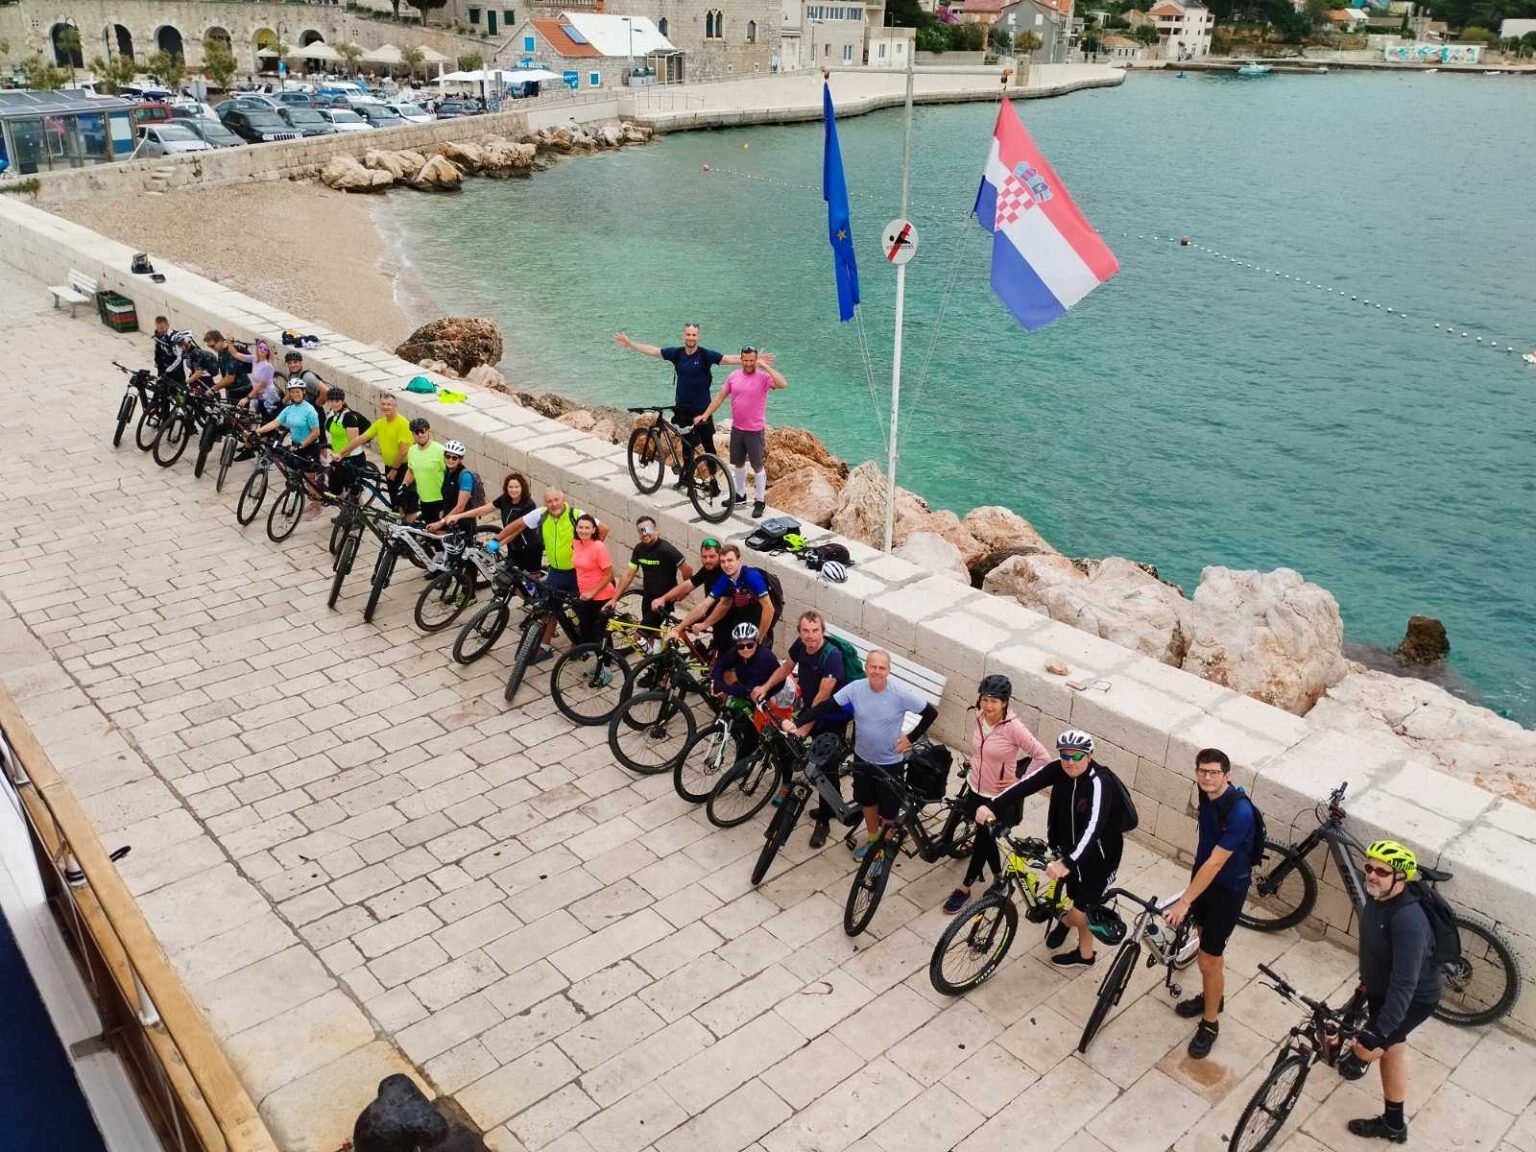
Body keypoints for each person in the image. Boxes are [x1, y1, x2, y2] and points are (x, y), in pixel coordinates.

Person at [976, 729, 1124, 967]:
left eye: (1077, 756)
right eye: (1065, 755)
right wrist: (992, 805)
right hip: (1068, 849)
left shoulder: (1099, 783)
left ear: (1089, 756)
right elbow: (1025, 785)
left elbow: (1093, 828)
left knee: (1081, 912)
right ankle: (1085, 955)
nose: (1070, 761)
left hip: (1099, 857)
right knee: (1078, 899)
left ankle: (1064, 923)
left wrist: (1068, 862)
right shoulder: (1058, 768)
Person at [1335, 840, 1441, 1145]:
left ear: (1401, 877)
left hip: (1413, 999)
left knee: (1366, 1049)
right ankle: (1394, 1125)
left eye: (1382, 871)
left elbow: (1405, 983)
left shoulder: (1408, 920)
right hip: (1382, 989)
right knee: (1393, 1048)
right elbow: (1371, 946)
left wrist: (1379, 1030)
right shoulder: (1378, 898)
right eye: (1369, 867)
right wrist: (1366, 982)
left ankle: (1359, 1059)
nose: (1371, 875)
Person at [793, 650, 939, 860]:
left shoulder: (900, 693)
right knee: (867, 802)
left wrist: (910, 738)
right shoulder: (856, 688)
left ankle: (884, 846)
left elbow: (930, 713)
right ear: (866, 668)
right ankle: (872, 839)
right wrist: (798, 722)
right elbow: (827, 706)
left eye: (882, 668)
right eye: (873, 666)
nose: (877, 671)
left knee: (889, 811)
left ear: (888, 670)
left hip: (889, 762)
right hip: (862, 758)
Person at [1163, 748, 1258, 1058]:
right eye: (1202, 771)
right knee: (1207, 947)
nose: (1206, 777)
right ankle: (1214, 995)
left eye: (1214, 772)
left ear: (1226, 775)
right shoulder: (1207, 796)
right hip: (1203, 880)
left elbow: (1217, 862)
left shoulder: (1240, 813)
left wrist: (1184, 901)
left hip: (1227, 890)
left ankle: (1210, 1022)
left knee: (1207, 959)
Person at [940, 675, 1052, 914]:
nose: (988, 705)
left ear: (1005, 703)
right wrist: (975, 762)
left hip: (998, 797)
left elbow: (1043, 757)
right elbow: (982, 750)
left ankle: (965, 887)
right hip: (975, 788)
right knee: (987, 837)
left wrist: (1020, 780)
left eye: (994, 701)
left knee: (982, 840)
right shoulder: (980, 716)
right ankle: (1000, 878)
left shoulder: (1014, 728)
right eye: (985, 699)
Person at [753, 610, 853, 848]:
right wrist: (765, 687)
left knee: (826, 768)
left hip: (832, 715)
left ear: (822, 631)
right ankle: (789, 785)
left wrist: (804, 726)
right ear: (799, 632)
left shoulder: (832, 656)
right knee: (786, 744)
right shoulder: (800, 645)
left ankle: (825, 820)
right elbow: (786, 668)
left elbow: (822, 697)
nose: (810, 636)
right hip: (809, 707)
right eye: (805, 631)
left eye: (815, 631)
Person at [613, 326, 766, 480]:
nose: (691, 338)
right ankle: (686, 479)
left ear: (698, 336)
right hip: (682, 409)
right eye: (688, 334)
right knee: (686, 445)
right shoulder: (677, 353)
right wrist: (631, 344)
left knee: (708, 446)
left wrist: (752, 360)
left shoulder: (705, 355)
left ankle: (713, 481)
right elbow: (653, 351)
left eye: (694, 335)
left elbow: (727, 359)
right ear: (684, 335)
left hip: (703, 410)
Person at [497, 489, 608, 661]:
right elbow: (517, 524)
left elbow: (603, 528)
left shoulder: (576, 515)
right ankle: (545, 647)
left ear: (563, 499)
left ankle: (581, 644)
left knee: (580, 610)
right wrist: (496, 539)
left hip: (577, 573)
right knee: (549, 608)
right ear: (545, 502)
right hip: (556, 571)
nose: (553, 504)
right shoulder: (541, 514)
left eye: (556, 500)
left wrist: (590, 550)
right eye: (549, 501)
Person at [689, 345, 788, 519]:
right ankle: (740, 496)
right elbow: (720, 398)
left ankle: (759, 501)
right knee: (739, 464)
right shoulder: (733, 376)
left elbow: (782, 384)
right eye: (745, 360)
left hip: (755, 430)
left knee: (757, 466)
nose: (748, 364)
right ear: (741, 359)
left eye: (752, 360)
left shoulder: (763, 378)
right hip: (737, 429)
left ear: (756, 360)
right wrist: (705, 415)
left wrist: (765, 366)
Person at [675, 543, 775, 656]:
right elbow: (706, 605)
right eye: (722, 562)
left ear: (739, 560)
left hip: (760, 630)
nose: (726, 565)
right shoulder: (726, 580)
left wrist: (759, 639)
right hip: (741, 626)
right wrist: (684, 627)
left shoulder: (752, 576)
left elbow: (769, 608)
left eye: (730, 560)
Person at [609, 515, 691, 631]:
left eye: (648, 529)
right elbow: (628, 574)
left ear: (656, 530)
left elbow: (687, 569)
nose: (644, 534)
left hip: (664, 600)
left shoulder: (666, 549)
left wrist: (684, 592)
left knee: (641, 633)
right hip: (648, 597)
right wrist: (614, 599)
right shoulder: (639, 549)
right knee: (652, 633)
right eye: (641, 531)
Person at [257, 379, 326, 509]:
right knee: (295, 472)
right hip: (296, 445)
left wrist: (302, 445)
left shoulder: (310, 410)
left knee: (310, 477)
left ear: (303, 392)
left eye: (297, 391)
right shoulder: (289, 409)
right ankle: (304, 493)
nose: (295, 394)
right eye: (292, 392)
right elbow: (275, 423)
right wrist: (256, 431)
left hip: (310, 447)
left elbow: (315, 433)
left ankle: (317, 505)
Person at [339, 393, 412, 510]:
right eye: (383, 404)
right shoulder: (380, 423)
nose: (386, 407)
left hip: (403, 467)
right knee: (394, 500)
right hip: (389, 466)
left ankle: (406, 520)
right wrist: (341, 453)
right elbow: (360, 439)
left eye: (389, 404)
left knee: (404, 502)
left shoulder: (403, 423)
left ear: (395, 406)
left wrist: (394, 469)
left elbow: (404, 450)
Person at [571, 512, 616, 644]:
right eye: (580, 527)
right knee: (587, 631)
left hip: (601, 596)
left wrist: (592, 592)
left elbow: (609, 575)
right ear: (576, 528)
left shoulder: (599, 547)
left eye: (587, 528)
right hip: (584, 594)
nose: (583, 531)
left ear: (593, 530)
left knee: (601, 635)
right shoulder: (576, 543)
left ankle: (607, 657)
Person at [321, 386, 369, 505]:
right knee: (335, 488)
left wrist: (340, 454)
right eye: (331, 400)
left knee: (353, 492)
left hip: (352, 457)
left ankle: (359, 511)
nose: (334, 403)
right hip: (339, 456)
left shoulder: (349, 418)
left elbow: (354, 443)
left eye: (337, 401)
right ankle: (345, 509)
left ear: (342, 401)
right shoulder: (331, 414)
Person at [430, 440, 486, 543]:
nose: (450, 460)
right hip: (449, 519)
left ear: (460, 459)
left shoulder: (465, 476)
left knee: (465, 550)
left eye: (454, 458)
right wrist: (443, 511)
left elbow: (460, 507)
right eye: (447, 456)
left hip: (463, 522)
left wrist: (441, 522)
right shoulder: (447, 472)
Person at [401, 418, 446, 525]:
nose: (420, 435)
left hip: (441, 499)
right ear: (413, 434)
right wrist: (403, 485)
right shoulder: (412, 450)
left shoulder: (440, 450)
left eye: (423, 431)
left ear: (428, 431)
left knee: (441, 531)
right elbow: (411, 470)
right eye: (417, 432)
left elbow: (449, 474)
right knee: (429, 529)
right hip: (424, 500)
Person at [203, 330, 251, 402]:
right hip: (231, 389)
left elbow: (230, 378)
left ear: (220, 341)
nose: (212, 348)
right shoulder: (221, 351)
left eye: (213, 346)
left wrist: (214, 388)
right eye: (209, 346)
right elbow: (225, 375)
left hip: (240, 390)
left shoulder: (230, 353)